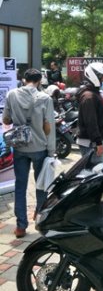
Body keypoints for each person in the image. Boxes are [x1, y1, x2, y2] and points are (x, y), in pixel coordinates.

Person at [2, 68, 56, 238]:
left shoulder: (11, 95)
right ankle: (41, 220)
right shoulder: (45, 98)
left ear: (24, 79)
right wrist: (51, 151)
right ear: (40, 81)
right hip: (39, 147)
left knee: (20, 186)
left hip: (19, 147)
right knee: (42, 185)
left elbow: (6, 119)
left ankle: (20, 226)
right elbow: (49, 127)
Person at [76, 62, 103, 164]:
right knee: (95, 173)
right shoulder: (89, 96)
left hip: (95, 141)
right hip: (91, 143)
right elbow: (91, 122)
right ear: (94, 77)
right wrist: (98, 142)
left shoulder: (95, 93)